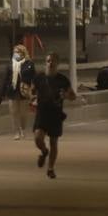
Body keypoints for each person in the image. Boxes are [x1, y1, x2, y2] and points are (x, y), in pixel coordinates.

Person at [33, 52, 77, 180]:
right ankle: (44, 151)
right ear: (45, 62)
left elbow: (73, 96)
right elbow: (31, 91)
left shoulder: (63, 80)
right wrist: (30, 96)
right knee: (38, 138)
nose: (50, 63)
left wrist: (65, 96)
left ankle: (50, 168)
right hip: (42, 112)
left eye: (53, 61)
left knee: (54, 142)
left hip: (55, 114)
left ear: (58, 63)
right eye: (48, 61)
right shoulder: (39, 78)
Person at [0, 43, 35, 139]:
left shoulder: (29, 64)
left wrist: (34, 92)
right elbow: (4, 79)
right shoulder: (10, 65)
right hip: (12, 91)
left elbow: (34, 78)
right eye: (14, 52)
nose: (16, 54)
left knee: (23, 113)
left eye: (18, 52)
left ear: (23, 53)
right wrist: (0, 94)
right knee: (14, 112)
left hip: (24, 91)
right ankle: (17, 132)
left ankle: (22, 128)